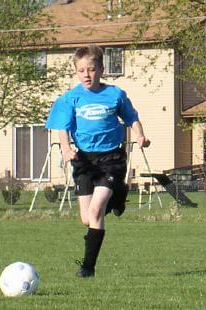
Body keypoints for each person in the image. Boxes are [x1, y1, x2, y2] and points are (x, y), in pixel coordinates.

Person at [46, 44, 150, 278]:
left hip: (111, 158)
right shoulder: (71, 98)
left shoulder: (115, 95)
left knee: (95, 211)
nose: (86, 74)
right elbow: (62, 127)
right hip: (83, 160)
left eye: (91, 69)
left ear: (101, 69)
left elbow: (132, 118)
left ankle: (88, 268)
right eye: (81, 70)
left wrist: (141, 135)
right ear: (76, 71)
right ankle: (119, 194)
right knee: (87, 219)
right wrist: (65, 148)